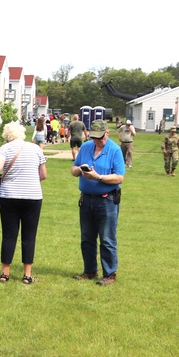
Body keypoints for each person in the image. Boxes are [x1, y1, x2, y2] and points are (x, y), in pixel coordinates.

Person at [0, 120, 47, 284]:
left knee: (9, 235)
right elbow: (43, 175)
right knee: (29, 236)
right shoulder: (36, 148)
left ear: (7, 135)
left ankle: (4, 273)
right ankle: (27, 275)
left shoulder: (5, 149)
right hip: (33, 196)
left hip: (9, 196)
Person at [71, 120, 125, 286]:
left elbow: (119, 177)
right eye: (93, 137)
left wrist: (99, 177)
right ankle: (90, 271)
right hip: (86, 199)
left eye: (100, 137)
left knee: (107, 238)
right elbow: (73, 169)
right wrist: (81, 170)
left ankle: (110, 274)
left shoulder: (114, 150)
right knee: (87, 238)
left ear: (107, 133)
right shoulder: (86, 147)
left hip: (106, 200)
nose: (96, 141)